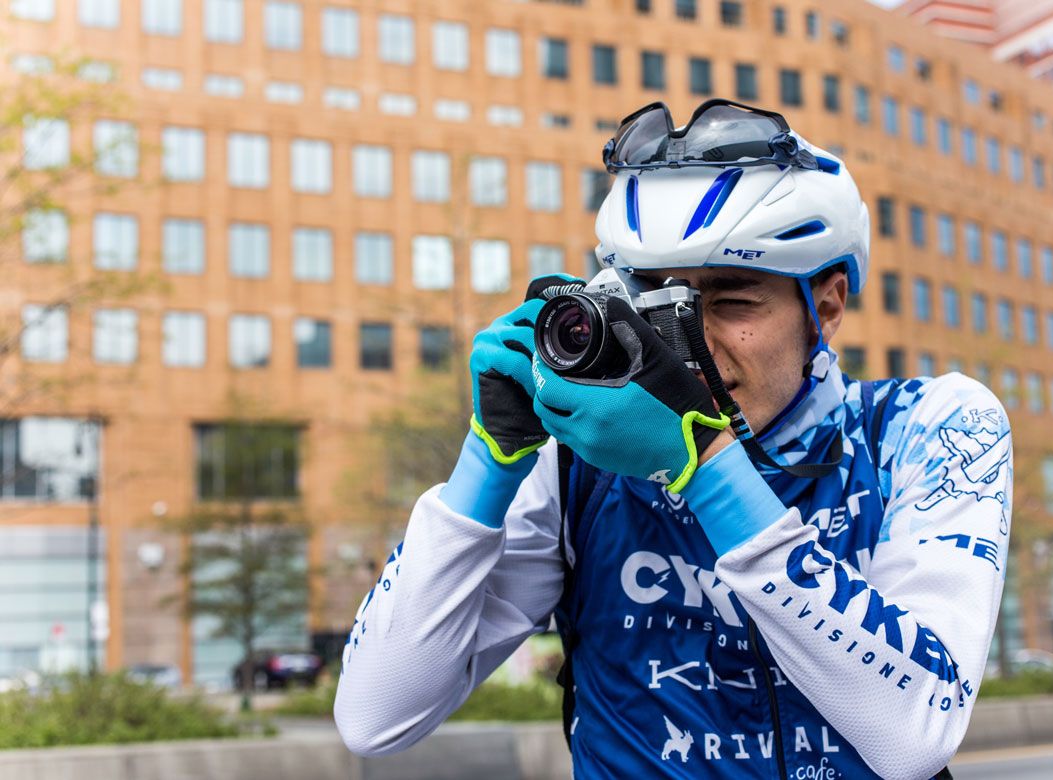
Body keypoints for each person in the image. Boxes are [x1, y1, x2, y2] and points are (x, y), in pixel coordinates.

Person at [334, 100, 1012, 780]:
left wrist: (704, 464)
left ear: (826, 305)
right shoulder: (575, 463)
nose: (686, 347)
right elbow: (376, 716)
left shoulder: (926, 426)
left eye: (730, 301)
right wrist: (488, 463)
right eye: (656, 300)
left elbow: (917, 731)